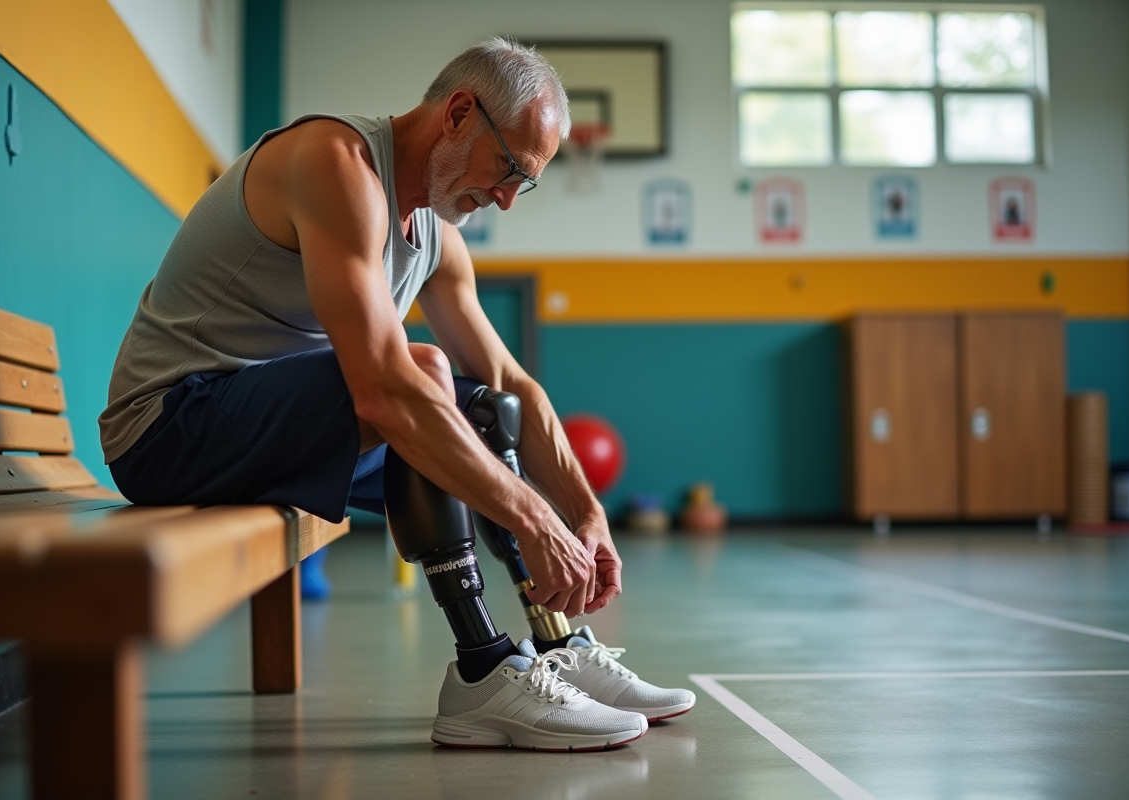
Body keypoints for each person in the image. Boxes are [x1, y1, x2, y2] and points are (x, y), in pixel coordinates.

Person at [99, 37, 692, 750]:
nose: (505, 199)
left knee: (484, 410)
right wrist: (536, 523)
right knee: (422, 378)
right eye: (507, 168)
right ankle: (482, 669)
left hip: (276, 429)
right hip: (169, 425)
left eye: (523, 183)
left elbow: (512, 385)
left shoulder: (436, 232)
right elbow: (382, 390)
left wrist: (584, 514)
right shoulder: (334, 163)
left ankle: (558, 638)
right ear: (459, 114)